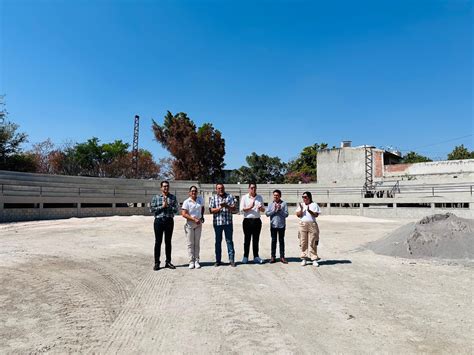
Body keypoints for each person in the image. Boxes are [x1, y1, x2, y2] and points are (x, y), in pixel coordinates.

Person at [150, 181, 179, 271]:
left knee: (168, 242)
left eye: (167, 186)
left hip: (169, 221)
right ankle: (157, 262)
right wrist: (162, 207)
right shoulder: (156, 197)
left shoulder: (173, 197)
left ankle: (168, 262)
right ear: (161, 188)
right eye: (164, 186)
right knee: (158, 242)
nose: (166, 188)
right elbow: (151, 210)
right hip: (159, 221)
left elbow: (176, 210)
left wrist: (168, 206)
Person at [209, 183, 236, 267]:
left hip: (228, 223)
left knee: (229, 241)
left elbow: (234, 209)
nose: (221, 190)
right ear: (216, 189)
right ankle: (218, 260)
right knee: (218, 242)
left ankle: (231, 260)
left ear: (224, 188)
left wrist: (226, 206)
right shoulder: (213, 198)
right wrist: (220, 208)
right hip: (218, 223)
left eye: (222, 188)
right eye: (219, 188)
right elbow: (211, 210)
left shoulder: (230, 197)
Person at [240, 183, 266, 264]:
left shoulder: (259, 197)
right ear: (249, 188)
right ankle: (245, 257)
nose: (253, 189)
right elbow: (241, 209)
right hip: (247, 221)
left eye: (254, 188)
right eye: (251, 188)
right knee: (247, 240)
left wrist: (261, 208)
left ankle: (256, 256)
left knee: (256, 240)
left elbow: (263, 210)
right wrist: (250, 207)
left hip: (257, 221)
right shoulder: (244, 197)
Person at [181, 185, 205, 270]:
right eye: (192, 191)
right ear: (189, 192)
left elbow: (202, 208)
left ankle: (197, 261)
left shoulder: (200, 200)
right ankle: (191, 261)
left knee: (197, 243)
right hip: (190, 224)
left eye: (195, 191)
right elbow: (184, 214)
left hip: (198, 224)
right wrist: (193, 219)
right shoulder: (186, 202)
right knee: (190, 244)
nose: (194, 192)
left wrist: (202, 216)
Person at [296, 191, 321, 267]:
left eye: (305, 197)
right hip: (303, 224)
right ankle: (304, 258)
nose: (304, 198)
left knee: (313, 241)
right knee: (303, 241)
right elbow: (298, 215)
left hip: (312, 224)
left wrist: (309, 211)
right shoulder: (301, 205)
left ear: (309, 197)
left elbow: (316, 215)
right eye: (303, 197)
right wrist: (301, 209)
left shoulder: (314, 205)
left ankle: (314, 258)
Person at [265, 189, 289, 264]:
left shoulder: (284, 204)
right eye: (274, 195)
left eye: (277, 195)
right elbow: (267, 214)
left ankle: (282, 257)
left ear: (280, 196)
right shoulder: (270, 204)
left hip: (281, 225)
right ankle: (273, 257)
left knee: (281, 241)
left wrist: (280, 210)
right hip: (273, 225)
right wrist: (274, 210)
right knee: (273, 241)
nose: (276, 197)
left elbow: (286, 215)